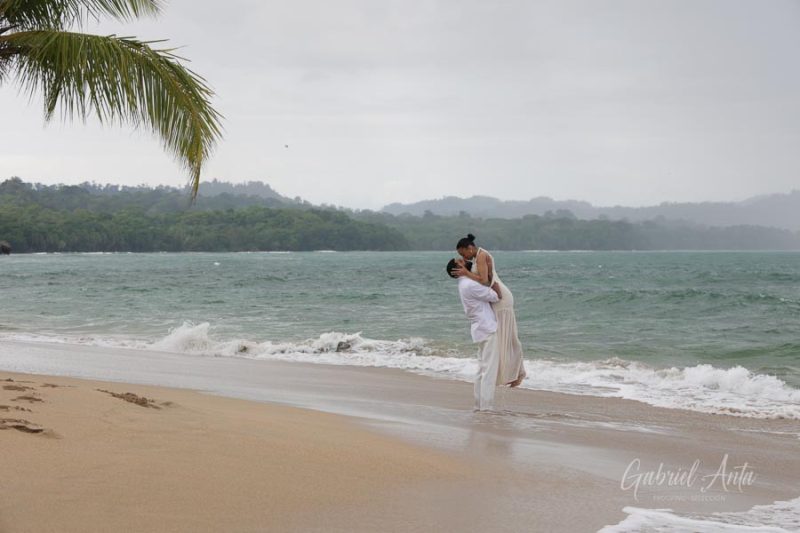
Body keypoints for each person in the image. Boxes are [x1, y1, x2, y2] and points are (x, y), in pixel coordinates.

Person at [454, 234, 526, 388]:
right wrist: (465, 269)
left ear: (470, 248)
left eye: (463, 253)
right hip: (495, 296)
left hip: (501, 298)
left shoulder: (481, 256)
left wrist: (466, 273)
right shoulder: (477, 256)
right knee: (503, 337)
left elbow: (484, 280)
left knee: (508, 337)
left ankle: (518, 374)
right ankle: (512, 374)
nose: (463, 257)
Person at [446, 257, 503, 411]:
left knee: (481, 369)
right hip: (487, 328)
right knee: (488, 371)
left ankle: (479, 405)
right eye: (461, 262)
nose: (464, 261)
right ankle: (486, 408)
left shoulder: (465, 284)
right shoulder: (470, 284)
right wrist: (494, 280)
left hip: (480, 329)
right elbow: (495, 296)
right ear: (457, 270)